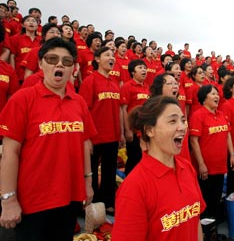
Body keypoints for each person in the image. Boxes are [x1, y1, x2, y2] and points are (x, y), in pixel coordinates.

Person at [0, 38, 96, 240]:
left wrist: (87, 184)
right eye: (52, 59)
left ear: (74, 69)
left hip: (69, 199)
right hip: (33, 202)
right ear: (41, 63)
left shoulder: (78, 103)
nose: (59, 64)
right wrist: (8, 200)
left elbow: (84, 146)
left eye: (66, 61)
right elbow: (10, 153)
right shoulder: (23, 99)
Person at [112, 96, 205, 240]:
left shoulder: (187, 168)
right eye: (172, 121)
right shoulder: (134, 187)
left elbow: (195, 221)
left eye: (182, 120)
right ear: (150, 130)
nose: (182, 127)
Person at [79, 46, 122, 215]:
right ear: (97, 59)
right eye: (107, 55)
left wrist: (121, 132)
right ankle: (92, 204)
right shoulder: (90, 81)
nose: (112, 58)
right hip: (95, 136)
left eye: (113, 55)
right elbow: (84, 111)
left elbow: (118, 110)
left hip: (112, 135)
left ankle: (108, 203)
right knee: (89, 171)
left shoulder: (114, 83)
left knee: (109, 171)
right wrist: (87, 137)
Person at [189, 85, 234, 221]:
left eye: (217, 94)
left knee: (216, 198)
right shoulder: (198, 115)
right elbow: (193, 141)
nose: (217, 96)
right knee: (205, 201)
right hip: (205, 168)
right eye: (213, 94)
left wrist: (232, 153)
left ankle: (213, 229)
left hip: (220, 166)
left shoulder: (221, 114)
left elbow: (227, 134)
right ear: (204, 98)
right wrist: (201, 164)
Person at [120, 59, 150, 175]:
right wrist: (127, 130)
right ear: (132, 72)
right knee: (134, 159)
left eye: (144, 68)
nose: (144, 70)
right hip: (134, 130)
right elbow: (123, 109)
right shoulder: (127, 86)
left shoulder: (147, 87)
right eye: (140, 68)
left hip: (146, 131)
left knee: (145, 159)